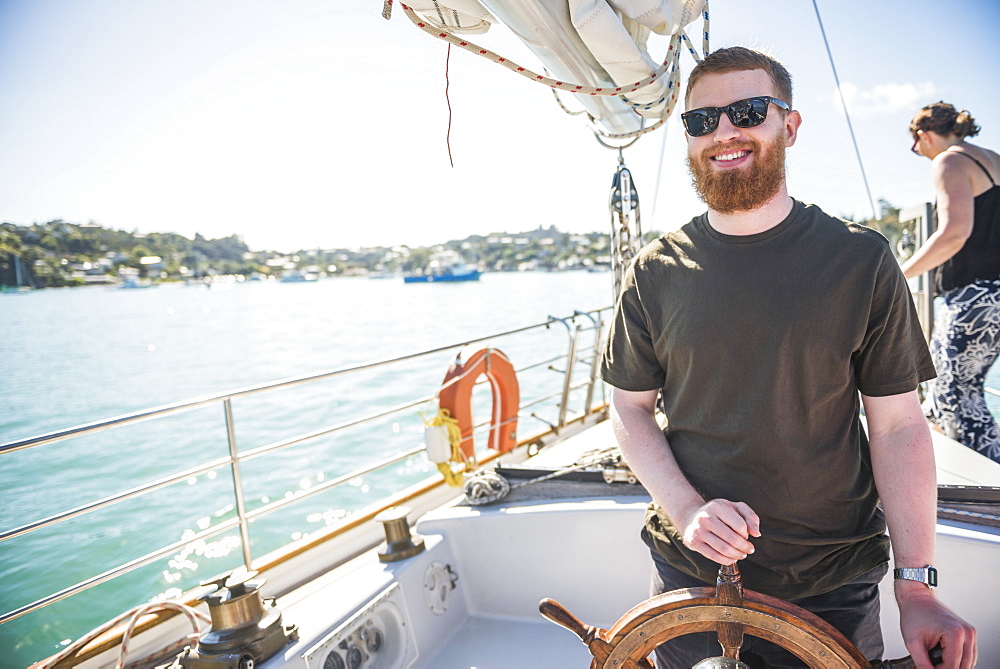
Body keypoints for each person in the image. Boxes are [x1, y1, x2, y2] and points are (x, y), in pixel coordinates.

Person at [600, 47, 976, 669]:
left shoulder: (861, 260)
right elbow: (628, 409)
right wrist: (688, 510)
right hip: (690, 578)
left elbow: (900, 425)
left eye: (747, 111)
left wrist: (915, 587)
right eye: (702, 121)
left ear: (790, 126)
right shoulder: (654, 272)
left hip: (833, 581)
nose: (724, 132)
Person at [902, 102, 1000, 463]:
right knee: (964, 393)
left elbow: (954, 233)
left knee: (953, 395)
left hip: (974, 299)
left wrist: (900, 272)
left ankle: (986, 490)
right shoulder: (993, 158)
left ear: (924, 136)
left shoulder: (950, 161)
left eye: (915, 144)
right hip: (995, 298)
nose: (917, 152)